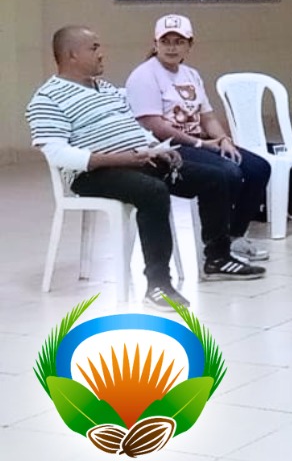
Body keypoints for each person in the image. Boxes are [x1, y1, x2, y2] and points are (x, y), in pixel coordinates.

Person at [28, 26, 265, 311]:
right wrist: (121, 159)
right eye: (94, 48)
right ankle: (158, 284)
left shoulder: (106, 89)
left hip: (138, 160)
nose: (102, 54)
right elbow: (57, 153)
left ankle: (217, 257)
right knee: (153, 191)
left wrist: (157, 148)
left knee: (217, 177)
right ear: (72, 55)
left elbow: (134, 129)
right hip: (92, 174)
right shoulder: (48, 98)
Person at [125, 14, 272, 265]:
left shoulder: (191, 74)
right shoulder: (144, 76)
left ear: (189, 45)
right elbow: (154, 125)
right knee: (229, 172)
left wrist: (223, 139)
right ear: (155, 43)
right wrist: (199, 144)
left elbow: (208, 117)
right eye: (165, 41)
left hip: (199, 141)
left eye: (179, 41)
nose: (172, 47)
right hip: (169, 147)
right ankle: (216, 245)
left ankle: (235, 235)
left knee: (258, 168)